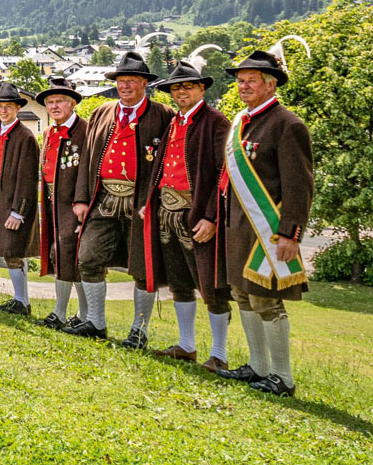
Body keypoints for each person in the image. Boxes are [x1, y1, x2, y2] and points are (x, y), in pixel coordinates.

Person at [214, 47, 312, 397]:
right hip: (237, 226)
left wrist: (290, 233)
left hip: (267, 231)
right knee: (243, 295)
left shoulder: (288, 125)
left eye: (251, 81)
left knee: (267, 300)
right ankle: (258, 367)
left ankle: (282, 376)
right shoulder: (241, 121)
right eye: (241, 81)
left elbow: (299, 186)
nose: (243, 86)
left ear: (271, 85)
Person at [66, 51, 173, 345]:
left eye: (132, 81)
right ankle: (96, 323)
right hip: (104, 198)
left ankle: (139, 331)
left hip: (140, 203)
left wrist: (159, 201)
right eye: (121, 81)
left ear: (144, 84)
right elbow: (88, 156)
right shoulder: (102, 112)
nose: (125, 86)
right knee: (88, 257)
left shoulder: (163, 115)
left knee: (141, 267)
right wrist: (81, 198)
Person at [149, 57, 234, 371]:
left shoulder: (215, 122)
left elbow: (220, 174)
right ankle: (186, 346)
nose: (181, 92)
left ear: (201, 88)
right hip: (167, 212)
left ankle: (220, 354)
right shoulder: (174, 121)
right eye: (176, 88)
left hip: (196, 213)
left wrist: (211, 216)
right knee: (179, 281)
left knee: (210, 285)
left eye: (188, 86)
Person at [0, 82, 41, 315]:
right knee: (9, 249)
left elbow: (27, 179)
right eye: (0, 107)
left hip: (15, 203)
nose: (3, 111)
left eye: (8, 107)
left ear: (17, 108)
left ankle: (22, 301)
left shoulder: (25, 137)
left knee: (15, 251)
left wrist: (18, 211)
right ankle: (19, 299)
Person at [34, 77, 91, 330]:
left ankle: (79, 312)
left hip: (73, 202)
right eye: (50, 102)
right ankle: (68, 310)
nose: (55, 106)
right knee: (59, 254)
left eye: (60, 101)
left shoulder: (85, 130)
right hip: (50, 201)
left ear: (72, 104)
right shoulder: (48, 132)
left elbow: (88, 170)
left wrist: (82, 200)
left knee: (73, 254)